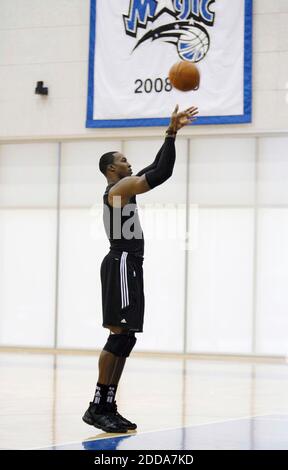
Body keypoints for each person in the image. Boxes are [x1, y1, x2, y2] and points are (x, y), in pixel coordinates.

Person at [82, 104, 199, 433]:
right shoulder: (117, 191)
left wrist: (171, 134)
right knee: (117, 335)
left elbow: (157, 167)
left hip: (131, 265)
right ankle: (97, 406)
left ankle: (108, 405)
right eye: (122, 160)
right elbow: (161, 173)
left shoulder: (125, 185)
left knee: (127, 338)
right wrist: (171, 132)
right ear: (109, 170)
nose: (129, 163)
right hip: (120, 263)